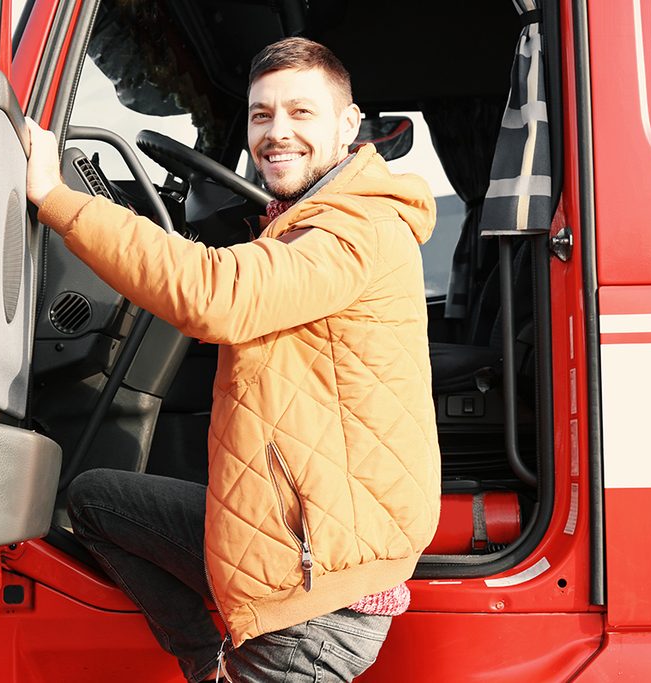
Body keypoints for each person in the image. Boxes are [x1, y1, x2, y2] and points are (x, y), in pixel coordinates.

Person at [26, 37, 441, 682]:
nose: (277, 133)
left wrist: (56, 197)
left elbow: (219, 294)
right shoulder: (299, 221)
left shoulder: (357, 229)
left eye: (302, 113)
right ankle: (206, 663)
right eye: (261, 116)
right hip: (282, 536)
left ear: (349, 125)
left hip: (317, 595)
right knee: (96, 500)